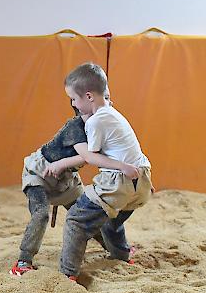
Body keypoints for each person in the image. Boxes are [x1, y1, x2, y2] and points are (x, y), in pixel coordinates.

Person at [9, 100, 137, 277]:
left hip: (67, 179)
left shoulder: (102, 125)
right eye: (103, 97)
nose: (109, 102)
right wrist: (122, 166)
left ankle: (116, 249)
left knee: (91, 213)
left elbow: (113, 152)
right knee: (41, 214)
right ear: (81, 103)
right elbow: (88, 156)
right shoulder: (75, 126)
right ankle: (24, 260)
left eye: (107, 97)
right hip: (40, 174)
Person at [58, 63, 152, 281]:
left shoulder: (96, 122)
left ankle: (68, 274)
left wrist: (61, 164)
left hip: (119, 181)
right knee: (111, 218)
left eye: (73, 98)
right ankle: (121, 254)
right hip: (142, 181)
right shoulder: (112, 113)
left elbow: (90, 157)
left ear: (89, 96)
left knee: (75, 220)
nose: (73, 104)